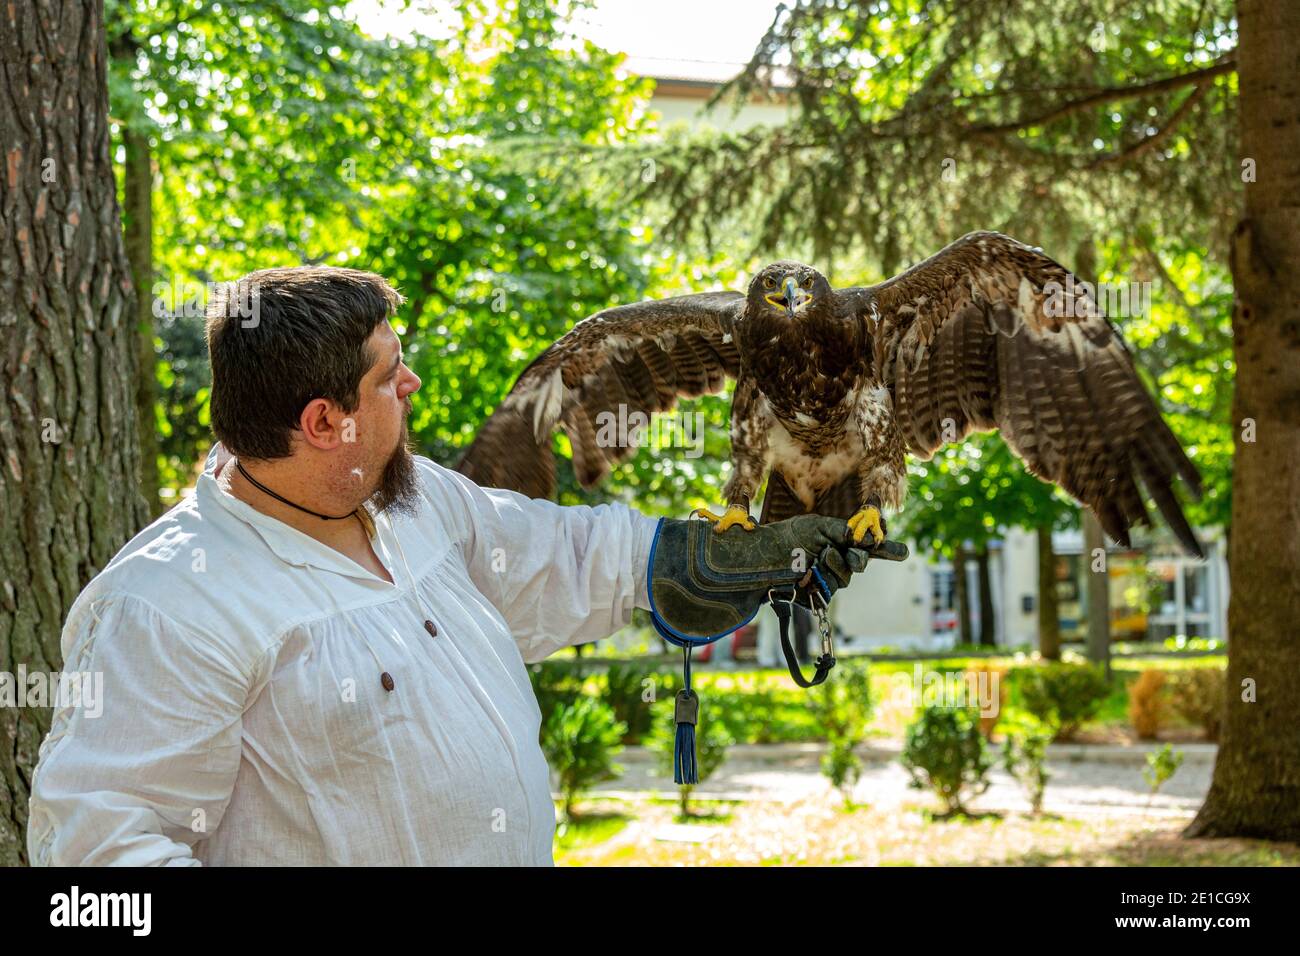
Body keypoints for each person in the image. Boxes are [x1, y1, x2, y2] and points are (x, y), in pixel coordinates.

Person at [26, 266, 870, 866]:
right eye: (391, 378)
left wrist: (695, 558)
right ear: (325, 422)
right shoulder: (168, 606)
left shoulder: (413, 498)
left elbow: (556, 558)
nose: (414, 384)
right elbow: (94, 859)